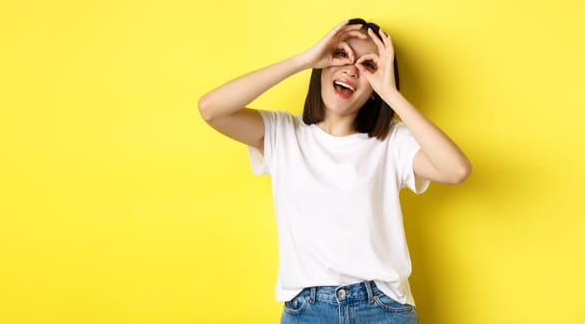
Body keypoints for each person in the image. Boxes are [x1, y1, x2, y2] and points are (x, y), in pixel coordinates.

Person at [197, 18, 471, 323]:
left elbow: (456, 170)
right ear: (322, 65)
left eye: (368, 65)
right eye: (341, 54)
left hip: (382, 309)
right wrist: (304, 60)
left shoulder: (392, 142)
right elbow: (211, 108)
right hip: (306, 311)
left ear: (375, 88)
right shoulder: (283, 133)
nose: (351, 68)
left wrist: (390, 93)